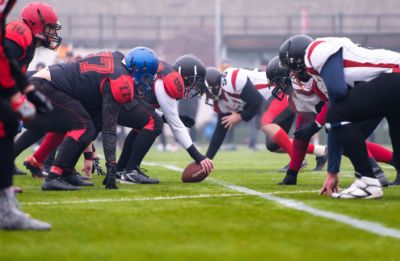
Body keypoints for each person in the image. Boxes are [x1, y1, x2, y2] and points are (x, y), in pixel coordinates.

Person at [279, 34, 399, 198]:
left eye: (291, 68)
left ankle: (368, 180)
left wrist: (317, 125)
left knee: (337, 115)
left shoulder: (315, 50)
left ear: (298, 62)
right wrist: (332, 172)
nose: (291, 73)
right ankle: (368, 178)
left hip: (394, 74)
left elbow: (337, 97)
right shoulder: (321, 74)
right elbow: (336, 116)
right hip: (391, 82)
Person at [20, 50, 134, 191]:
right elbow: (108, 128)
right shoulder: (119, 78)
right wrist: (111, 165)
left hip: (47, 81)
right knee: (84, 127)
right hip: (49, 85)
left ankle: (65, 172)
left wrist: (89, 157)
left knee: (74, 126)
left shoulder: (115, 59)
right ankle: (54, 176)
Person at [0, 0, 53, 230]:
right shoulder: (19, 31)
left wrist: (27, 93)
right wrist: (16, 96)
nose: (52, 33)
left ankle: (4, 195)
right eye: (50, 27)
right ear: (37, 23)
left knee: (10, 124)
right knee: (8, 123)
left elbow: (8, 64)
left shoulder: (25, 37)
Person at [120, 54, 213, 178]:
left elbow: (147, 109)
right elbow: (176, 127)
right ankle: (131, 171)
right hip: (118, 101)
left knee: (144, 123)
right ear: (185, 77)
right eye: (193, 83)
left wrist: (171, 118)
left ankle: (120, 169)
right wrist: (198, 156)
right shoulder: (168, 81)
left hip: (122, 101)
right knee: (155, 123)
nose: (194, 88)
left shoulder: (164, 74)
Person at [262, 56, 327, 173]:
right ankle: (321, 151)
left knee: (345, 137)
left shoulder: (304, 83)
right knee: (273, 144)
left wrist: (317, 123)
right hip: (322, 108)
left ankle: (299, 159)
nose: (275, 86)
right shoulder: (296, 85)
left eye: (277, 82)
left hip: (336, 108)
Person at [203, 66, 271, 159]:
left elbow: (257, 101)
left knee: (273, 140)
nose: (206, 95)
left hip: (277, 91)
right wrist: (207, 159)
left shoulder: (232, 81)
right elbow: (220, 130)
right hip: (266, 105)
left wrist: (240, 117)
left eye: (206, 91)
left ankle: (295, 163)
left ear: (215, 86)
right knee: (272, 145)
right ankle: (295, 161)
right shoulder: (220, 100)